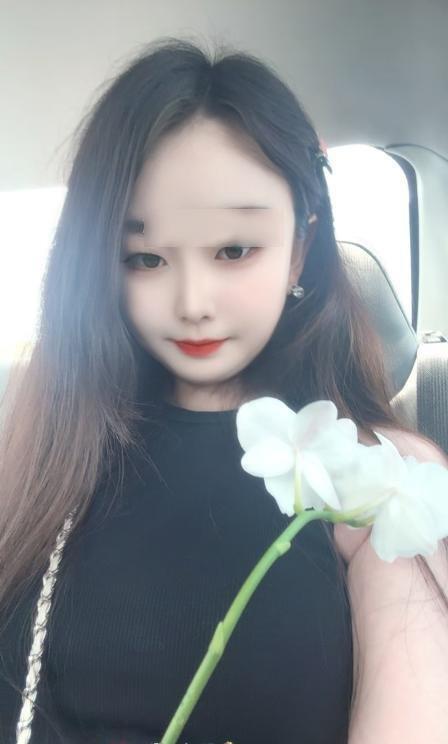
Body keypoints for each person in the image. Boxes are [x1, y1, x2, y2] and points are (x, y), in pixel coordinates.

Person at [0, 36, 447, 744]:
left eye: (234, 250)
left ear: (300, 247)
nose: (192, 303)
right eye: (143, 257)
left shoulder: (380, 479)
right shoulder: (48, 451)